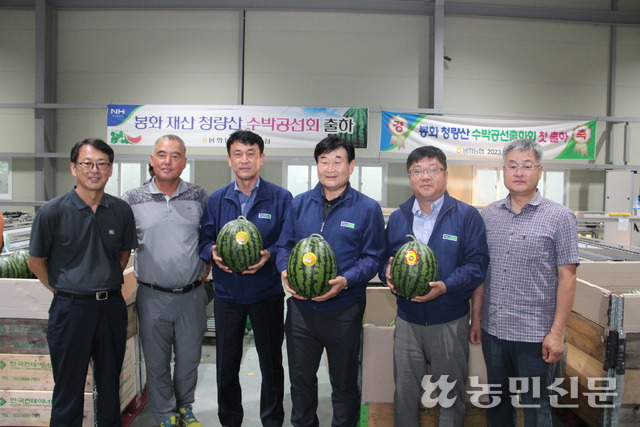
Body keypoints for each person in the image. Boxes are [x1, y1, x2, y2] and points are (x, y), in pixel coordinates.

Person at [28, 138, 138, 427]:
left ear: (110, 169)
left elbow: (123, 256)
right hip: (70, 311)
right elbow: (36, 262)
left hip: (111, 308)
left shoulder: (121, 210)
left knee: (109, 386)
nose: (94, 170)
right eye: (87, 163)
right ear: (73, 168)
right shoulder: (51, 212)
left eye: (102, 164)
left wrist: (100, 281)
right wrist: (65, 289)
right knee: (69, 388)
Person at [276, 136, 385, 427]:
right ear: (316, 166)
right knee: (300, 383)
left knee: (345, 384)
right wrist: (285, 269)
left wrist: (346, 280)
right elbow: (284, 246)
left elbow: (372, 257)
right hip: (300, 310)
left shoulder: (367, 208)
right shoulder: (298, 204)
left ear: (351, 166)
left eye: (338, 160)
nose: (330, 167)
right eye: (324, 161)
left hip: (344, 310)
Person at [470, 138, 579, 426]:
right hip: (494, 331)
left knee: (536, 408)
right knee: (498, 405)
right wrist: (477, 319)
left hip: (536, 334)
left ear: (539, 171)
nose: (519, 172)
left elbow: (568, 279)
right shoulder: (488, 215)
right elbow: (482, 272)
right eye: (513, 166)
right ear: (503, 171)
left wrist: (557, 333)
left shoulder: (560, 217)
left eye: (527, 166)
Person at [380, 146, 489, 426]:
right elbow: (384, 261)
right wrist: (387, 273)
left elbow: (477, 264)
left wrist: (446, 286)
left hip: (449, 320)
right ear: (409, 177)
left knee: (450, 394)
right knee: (405, 392)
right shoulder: (399, 217)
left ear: (445, 174)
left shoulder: (466, 216)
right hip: (407, 320)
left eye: (432, 169)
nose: (425, 176)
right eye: (417, 171)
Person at [199, 129, 292, 427]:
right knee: (226, 365)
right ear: (229, 159)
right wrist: (211, 253)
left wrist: (270, 254)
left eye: (251, 154)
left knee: (271, 364)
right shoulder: (216, 200)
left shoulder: (280, 198)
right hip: (227, 295)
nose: (244, 160)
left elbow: (288, 241)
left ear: (261, 158)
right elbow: (203, 239)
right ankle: (229, 420)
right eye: (238, 154)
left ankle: (272, 420)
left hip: (266, 293)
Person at [121, 135, 210, 427]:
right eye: (161, 154)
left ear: (184, 161)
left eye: (175, 155)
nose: (167, 161)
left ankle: (185, 407)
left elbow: (209, 238)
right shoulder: (132, 199)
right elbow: (122, 245)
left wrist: (206, 263)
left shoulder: (199, 196)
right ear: (151, 159)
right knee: (156, 361)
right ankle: (164, 413)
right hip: (152, 295)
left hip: (192, 295)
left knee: (188, 360)